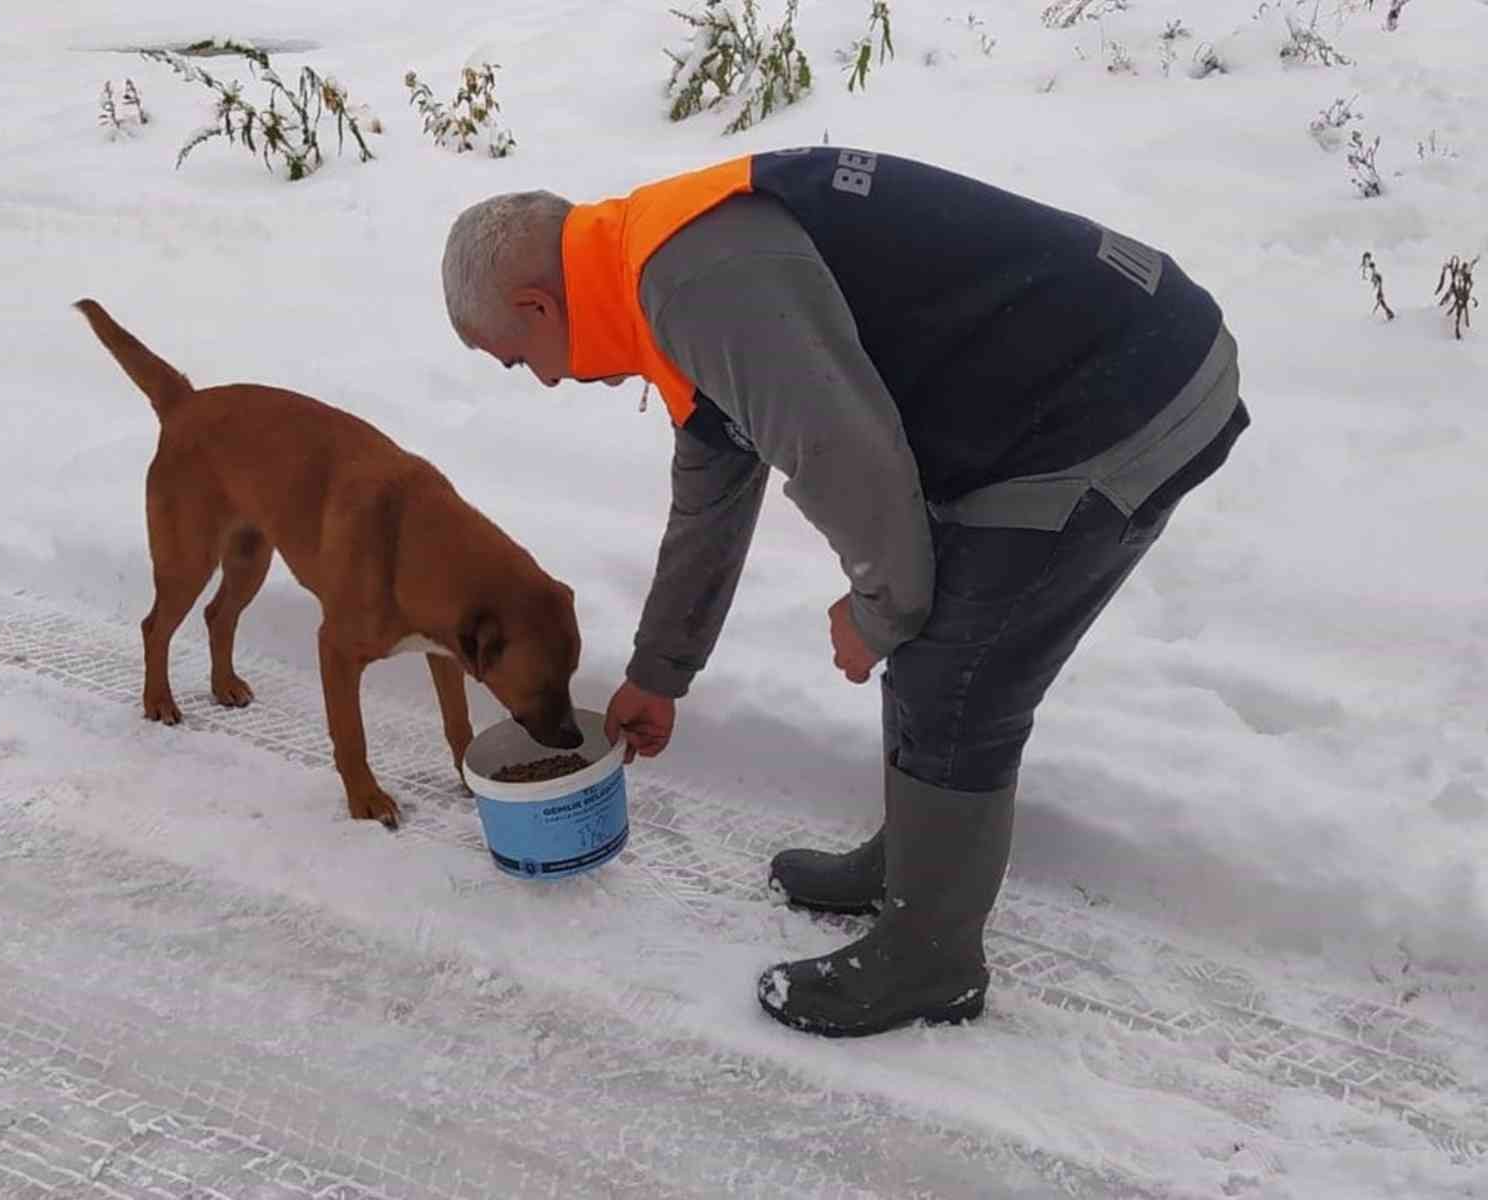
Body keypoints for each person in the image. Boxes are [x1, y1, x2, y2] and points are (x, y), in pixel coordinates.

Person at [440, 147, 1249, 1038]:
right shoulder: (650, 267)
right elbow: (713, 486)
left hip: (1122, 396)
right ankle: (917, 864)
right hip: (1066, 380)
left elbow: (845, 457)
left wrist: (878, 613)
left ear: (536, 306)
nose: (547, 381)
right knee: (930, 626)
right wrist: (660, 672)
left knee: (955, 674)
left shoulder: (694, 282)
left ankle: (934, 960)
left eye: (521, 361)